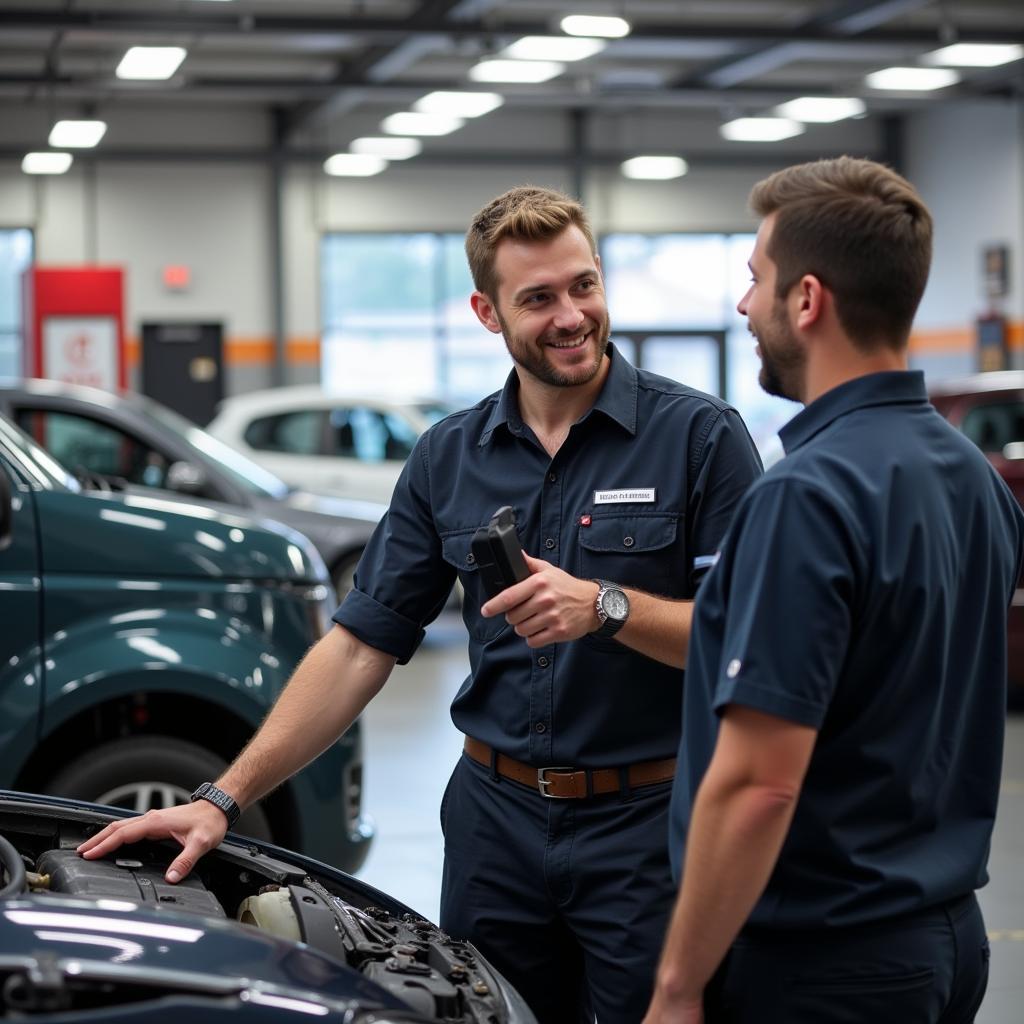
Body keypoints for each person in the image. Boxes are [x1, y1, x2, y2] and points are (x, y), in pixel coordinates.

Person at [79, 185, 763, 1023]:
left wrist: (608, 606)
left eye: (584, 285)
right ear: (487, 312)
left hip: (648, 828)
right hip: (495, 827)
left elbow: (747, 641)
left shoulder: (700, 438)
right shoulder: (449, 456)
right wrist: (223, 798)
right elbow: (360, 644)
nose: (572, 316)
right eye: (538, 298)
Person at [643, 157, 1024, 1024]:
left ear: (806, 300)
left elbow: (758, 785)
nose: (745, 306)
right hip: (941, 939)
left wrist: (677, 984)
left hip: (822, 965)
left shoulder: (806, 497)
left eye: (756, 280)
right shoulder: (971, 476)